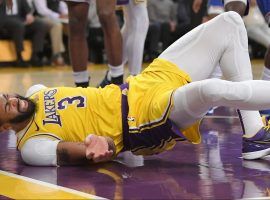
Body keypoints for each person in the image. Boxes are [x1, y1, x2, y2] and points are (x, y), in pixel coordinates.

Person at [2, 11, 270, 166]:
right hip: (139, 120)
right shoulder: (32, 147)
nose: (13, 100)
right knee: (210, 89)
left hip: (142, 83)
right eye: (6, 107)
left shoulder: (35, 91)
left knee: (230, 22)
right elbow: (77, 152)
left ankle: (254, 133)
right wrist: (97, 147)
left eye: (7, 96)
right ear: (3, 127)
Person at [0, 0, 48, 67]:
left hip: (20, 22)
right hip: (4, 23)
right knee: (18, 25)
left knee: (40, 25)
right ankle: (19, 57)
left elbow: (28, 11)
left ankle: (35, 56)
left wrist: (29, 15)